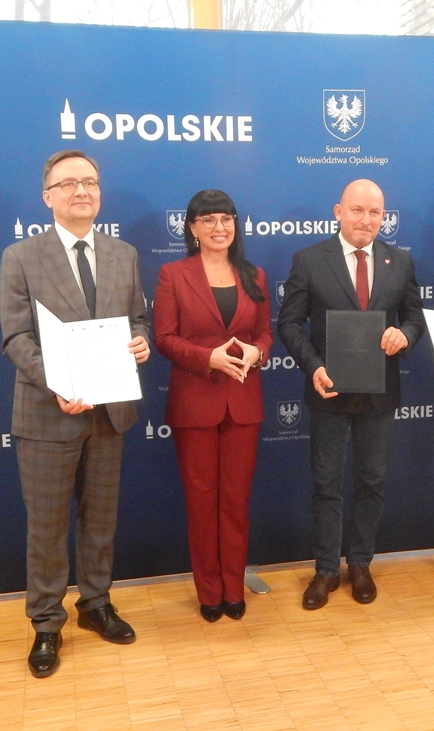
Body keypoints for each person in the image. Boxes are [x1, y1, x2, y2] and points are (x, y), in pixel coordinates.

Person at [0, 150, 151, 678]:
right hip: (48, 412)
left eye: (90, 182)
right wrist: (59, 381)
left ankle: (95, 604)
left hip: (109, 412)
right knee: (46, 527)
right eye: (68, 184)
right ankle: (46, 622)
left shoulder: (123, 254)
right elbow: (15, 337)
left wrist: (141, 342)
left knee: (100, 519)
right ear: (48, 197)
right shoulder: (21, 256)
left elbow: (137, 319)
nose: (81, 190)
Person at [278, 179, 425, 610]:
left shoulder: (400, 260)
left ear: (384, 217)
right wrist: (314, 366)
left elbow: (415, 316)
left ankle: (360, 563)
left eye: (374, 212)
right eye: (357, 210)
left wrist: (405, 334)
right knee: (327, 484)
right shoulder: (309, 260)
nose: (366, 219)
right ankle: (326, 569)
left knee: (372, 481)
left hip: (380, 392)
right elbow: (289, 323)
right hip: (329, 390)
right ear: (338, 211)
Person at [153, 190, 272, 622]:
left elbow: (265, 334)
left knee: (236, 501)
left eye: (226, 219)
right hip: (195, 403)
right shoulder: (173, 274)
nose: (219, 227)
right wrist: (208, 358)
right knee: (202, 502)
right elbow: (164, 338)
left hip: (242, 401)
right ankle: (209, 592)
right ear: (192, 228)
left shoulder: (255, 275)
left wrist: (258, 353)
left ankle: (233, 587)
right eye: (208, 220)